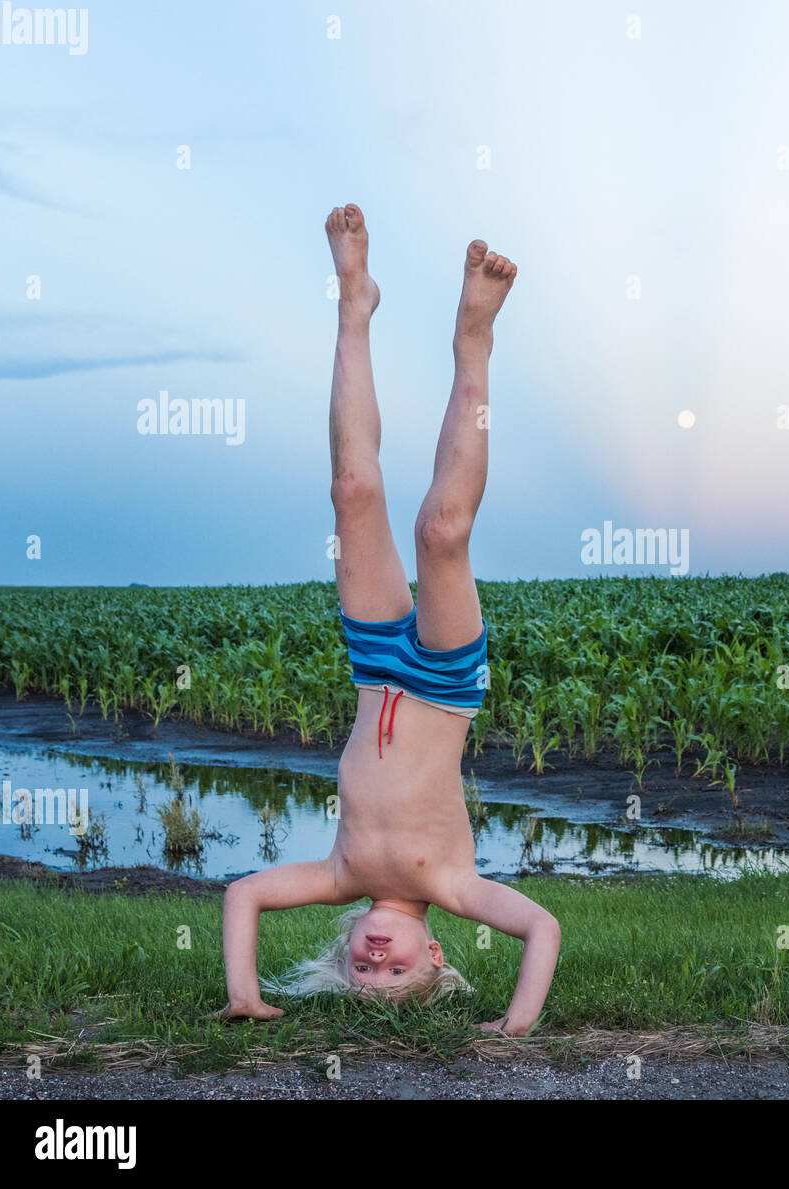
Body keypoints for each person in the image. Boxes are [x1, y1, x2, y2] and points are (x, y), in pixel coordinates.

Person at [216, 204, 559, 1037]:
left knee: (351, 493)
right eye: (395, 967)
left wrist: (245, 991)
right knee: (442, 531)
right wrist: (513, 1028)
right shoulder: (454, 886)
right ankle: (473, 341)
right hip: (444, 681)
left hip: (373, 664)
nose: (373, 954)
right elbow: (543, 928)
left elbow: (243, 893)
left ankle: (353, 300)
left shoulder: (339, 874)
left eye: (360, 967)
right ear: (436, 952)